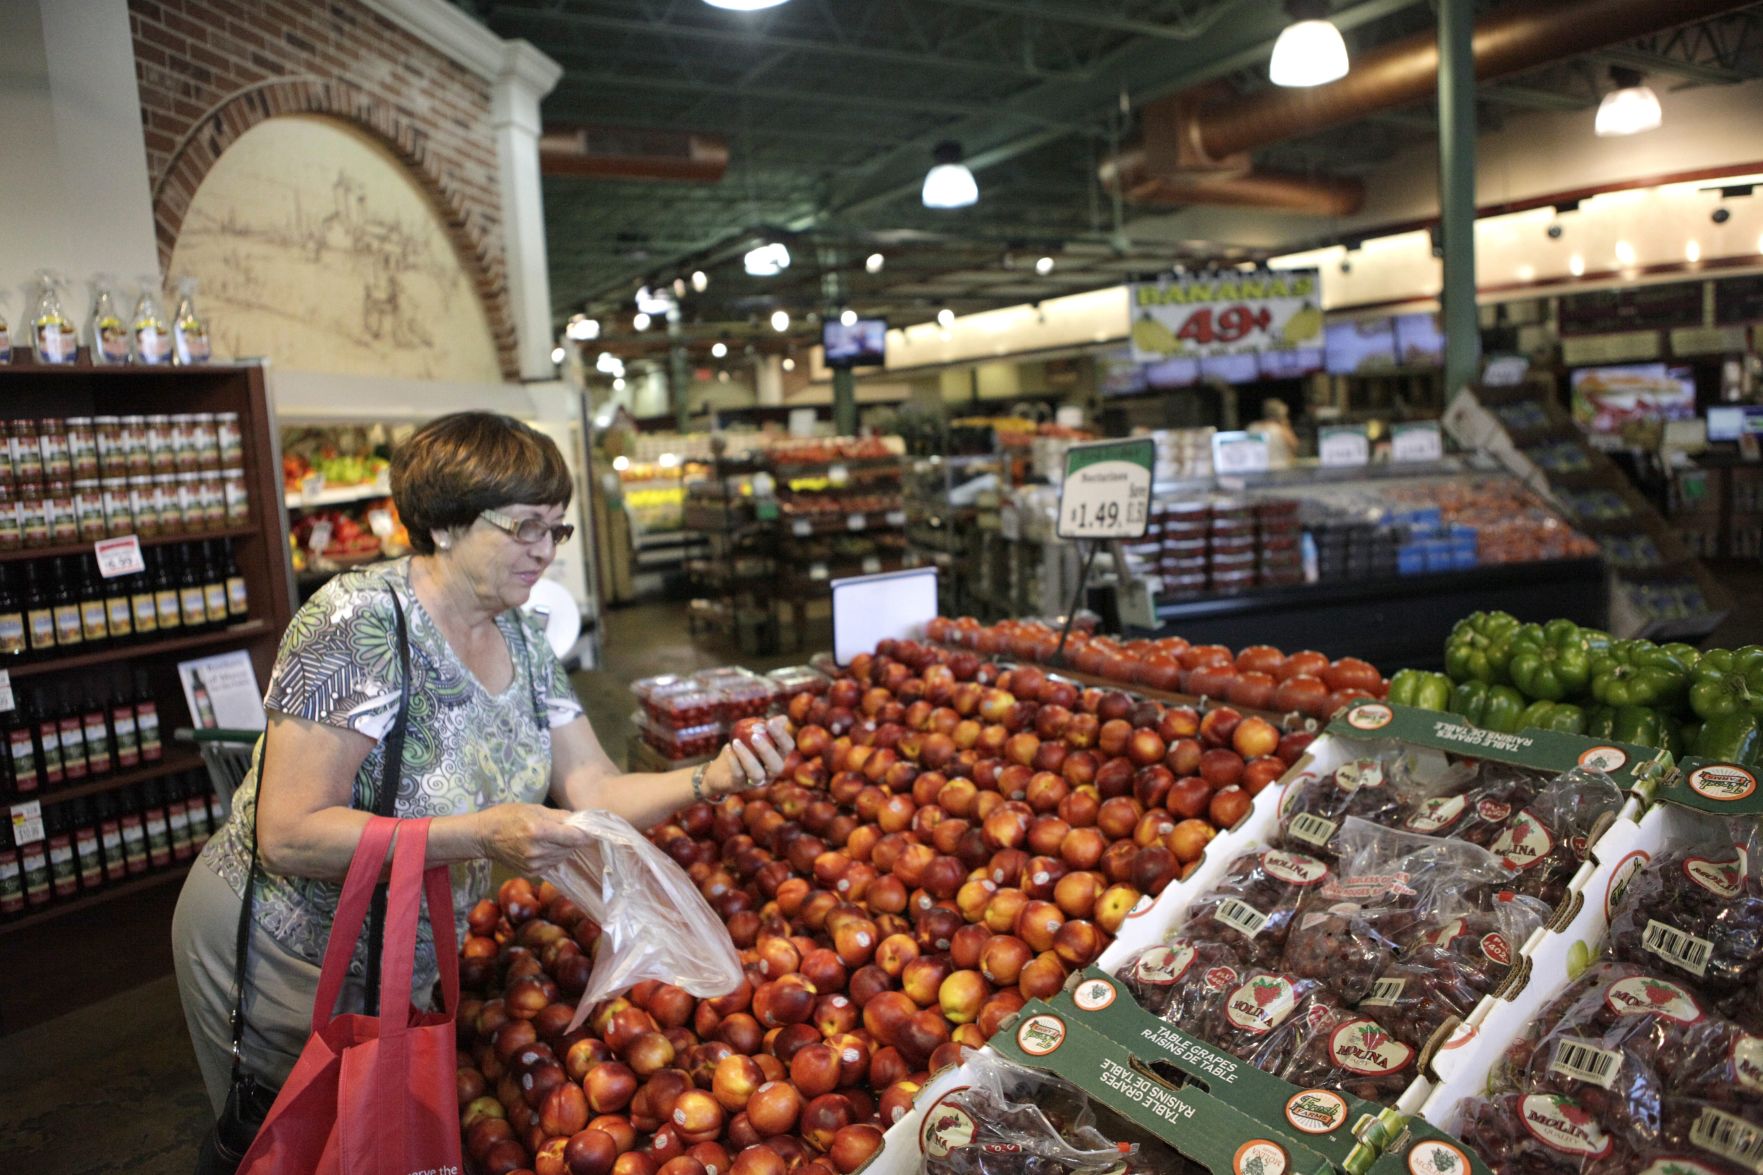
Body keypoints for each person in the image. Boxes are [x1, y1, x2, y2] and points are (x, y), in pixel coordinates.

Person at [171, 411, 792, 1116]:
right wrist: (477, 834)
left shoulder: (523, 640)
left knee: (379, 1136)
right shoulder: (358, 624)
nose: (545, 550)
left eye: (554, 528)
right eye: (524, 525)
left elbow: (592, 785)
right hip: (288, 951)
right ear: (444, 524)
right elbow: (288, 832)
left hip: (402, 949)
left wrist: (710, 777)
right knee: (300, 1135)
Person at [1251, 398, 1301, 468]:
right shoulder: (1281, 429)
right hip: (1279, 469)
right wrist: (1286, 426)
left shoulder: (1253, 427)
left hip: (1258, 469)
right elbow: (1295, 445)